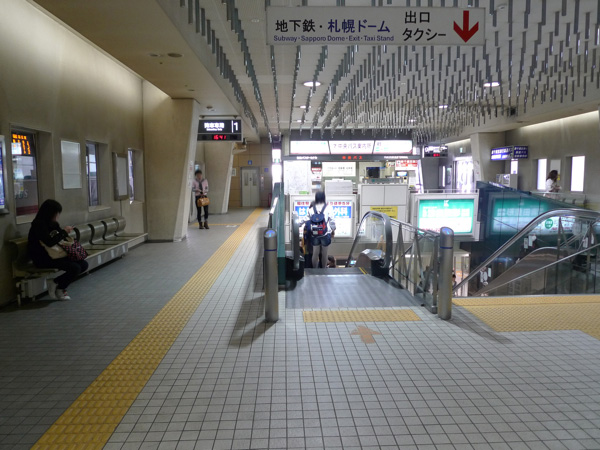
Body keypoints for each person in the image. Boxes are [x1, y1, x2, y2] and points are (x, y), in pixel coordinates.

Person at [27, 199, 88, 300]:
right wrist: (64, 232)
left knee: (83, 264)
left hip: (57, 255)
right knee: (75, 268)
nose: (57, 215)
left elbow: (60, 238)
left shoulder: (53, 224)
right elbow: (49, 242)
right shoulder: (38, 225)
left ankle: (56, 282)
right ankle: (61, 289)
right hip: (43, 258)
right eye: (56, 213)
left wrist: (65, 232)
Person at [308, 191, 336, 269]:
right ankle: (323, 270)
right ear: (324, 198)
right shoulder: (328, 207)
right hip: (325, 233)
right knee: (324, 253)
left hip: (314, 233)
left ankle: (314, 269)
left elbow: (307, 219)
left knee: (315, 253)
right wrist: (333, 230)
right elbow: (332, 221)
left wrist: (298, 224)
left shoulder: (312, 208)